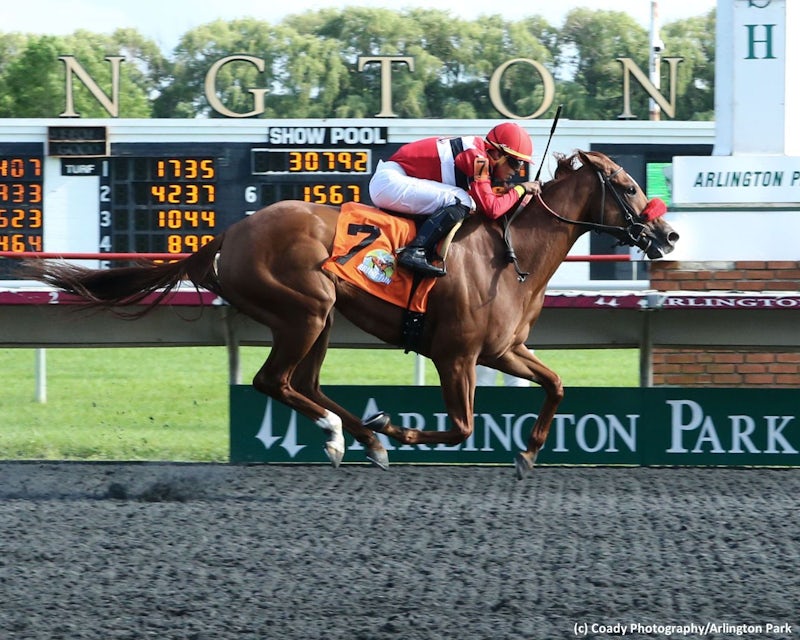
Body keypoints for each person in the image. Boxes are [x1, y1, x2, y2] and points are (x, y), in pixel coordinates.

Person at [368, 122, 541, 278]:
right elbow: (492, 209)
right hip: (390, 182)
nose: (517, 170)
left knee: (465, 201)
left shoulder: (478, 153)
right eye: (516, 163)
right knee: (463, 200)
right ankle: (415, 250)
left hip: (393, 180)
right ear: (497, 154)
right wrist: (521, 189)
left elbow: (486, 204)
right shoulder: (479, 159)